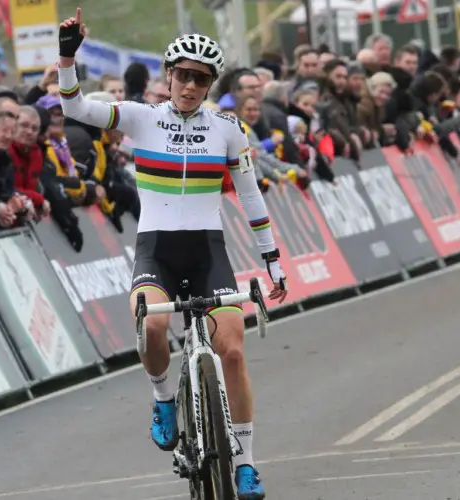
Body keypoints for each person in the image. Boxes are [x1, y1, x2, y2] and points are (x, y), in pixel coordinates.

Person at [57, 9, 287, 498]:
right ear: (169, 75)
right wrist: (67, 56)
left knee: (234, 351)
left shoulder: (228, 129)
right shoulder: (142, 118)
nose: (188, 85)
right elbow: (76, 108)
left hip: (208, 253)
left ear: (209, 84)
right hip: (156, 251)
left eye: (200, 79)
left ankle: (245, 461)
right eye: (182, 75)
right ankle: (163, 396)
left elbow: (250, 198)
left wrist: (271, 259)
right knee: (152, 325)